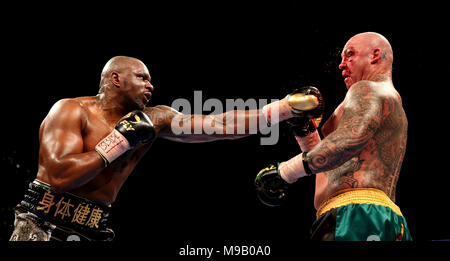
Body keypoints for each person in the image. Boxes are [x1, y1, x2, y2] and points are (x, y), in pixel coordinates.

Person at [10, 56, 322, 241]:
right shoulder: (70, 110)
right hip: (42, 222)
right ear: (115, 78)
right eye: (142, 78)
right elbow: (61, 176)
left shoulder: (154, 118)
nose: (151, 85)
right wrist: (120, 141)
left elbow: (220, 126)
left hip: (94, 226)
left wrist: (283, 110)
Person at [255, 32, 412, 241]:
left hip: (357, 216)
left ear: (375, 55)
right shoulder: (377, 99)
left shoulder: (368, 89)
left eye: (350, 55)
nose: (341, 64)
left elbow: (349, 141)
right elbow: (332, 164)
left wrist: (284, 172)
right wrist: (305, 130)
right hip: (361, 216)